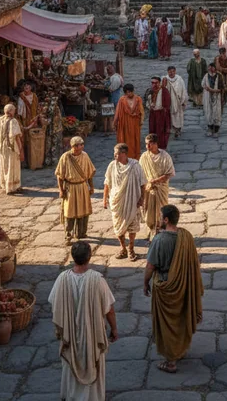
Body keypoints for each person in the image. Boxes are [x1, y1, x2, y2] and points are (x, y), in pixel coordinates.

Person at [49, 241, 117, 401]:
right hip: (92, 334)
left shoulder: (62, 279)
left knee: (70, 365)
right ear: (89, 257)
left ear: (73, 257)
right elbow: (109, 309)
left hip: (70, 336)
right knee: (93, 363)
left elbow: (54, 305)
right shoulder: (98, 280)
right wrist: (114, 329)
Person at [144, 204, 203, 375]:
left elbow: (150, 266)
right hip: (183, 285)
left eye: (160, 216)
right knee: (180, 319)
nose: (158, 219)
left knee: (167, 324)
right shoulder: (186, 236)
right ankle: (180, 349)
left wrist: (145, 283)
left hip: (164, 286)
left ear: (166, 220)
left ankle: (170, 362)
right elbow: (193, 263)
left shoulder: (159, 240)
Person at [104, 144, 146, 262]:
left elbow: (143, 183)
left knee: (132, 226)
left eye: (117, 153)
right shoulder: (112, 166)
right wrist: (104, 199)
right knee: (118, 226)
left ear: (124, 154)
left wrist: (142, 198)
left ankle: (131, 248)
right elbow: (107, 182)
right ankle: (123, 248)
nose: (115, 155)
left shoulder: (135, 166)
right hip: (116, 201)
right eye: (114, 153)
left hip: (132, 200)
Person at [55, 136, 96, 244]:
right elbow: (59, 176)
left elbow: (89, 173)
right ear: (72, 146)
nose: (80, 147)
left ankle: (81, 233)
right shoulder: (65, 157)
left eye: (81, 145)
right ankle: (68, 235)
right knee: (70, 212)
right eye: (77, 145)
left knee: (84, 210)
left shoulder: (85, 156)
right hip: (70, 188)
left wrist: (91, 187)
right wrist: (61, 190)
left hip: (82, 186)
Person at [139, 134, 175, 242]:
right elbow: (140, 173)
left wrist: (155, 181)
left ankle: (160, 233)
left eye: (149, 144)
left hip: (161, 189)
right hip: (148, 190)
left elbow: (169, 174)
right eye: (146, 144)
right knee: (148, 212)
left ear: (155, 144)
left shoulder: (165, 156)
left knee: (161, 212)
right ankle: (151, 230)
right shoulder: (144, 157)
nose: (147, 147)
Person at [0, 104, 23, 195]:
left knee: (4, 165)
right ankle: (12, 187)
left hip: (2, 146)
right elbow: (16, 136)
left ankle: (5, 185)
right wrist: (20, 148)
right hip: (12, 147)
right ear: (11, 111)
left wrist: (1, 139)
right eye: (13, 110)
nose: (14, 112)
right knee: (12, 165)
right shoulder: (13, 121)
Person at [114, 84, 144, 158]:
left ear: (133, 91)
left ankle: (135, 156)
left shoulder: (138, 99)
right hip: (125, 123)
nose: (129, 94)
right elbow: (118, 111)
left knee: (135, 139)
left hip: (135, 123)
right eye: (127, 92)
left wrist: (141, 120)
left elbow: (141, 111)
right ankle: (125, 155)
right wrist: (115, 122)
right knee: (126, 139)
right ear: (125, 93)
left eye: (130, 92)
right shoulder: (122, 100)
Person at [147, 77, 171, 150]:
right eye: (152, 83)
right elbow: (147, 102)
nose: (154, 85)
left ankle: (161, 147)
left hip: (161, 114)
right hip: (153, 114)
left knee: (161, 131)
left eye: (156, 83)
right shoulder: (150, 91)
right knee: (152, 130)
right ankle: (153, 146)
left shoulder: (164, 91)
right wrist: (150, 106)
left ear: (159, 83)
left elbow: (168, 103)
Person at [165, 66, 188, 140]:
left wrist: (184, 100)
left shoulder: (179, 79)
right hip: (169, 103)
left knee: (178, 116)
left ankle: (178, 129)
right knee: (170, 116)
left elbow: (183, 90)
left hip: (178, 102)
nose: (171, 73)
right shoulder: (165, 79)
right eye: (170, 72)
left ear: (175, 71)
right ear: (168, 72)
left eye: (173, 71)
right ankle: (172, 130)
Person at [202, 62, 224, 136]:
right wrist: (206, 88)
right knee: (208, 112)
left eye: (212, 67)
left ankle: (216, 130)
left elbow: (221, 88)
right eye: (209, 67)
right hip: (208, 97)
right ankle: (210, 128)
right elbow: (203, 84)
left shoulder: (219, 76)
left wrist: (212, 90)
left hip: (216, 97)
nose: (210, 69)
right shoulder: (206, 76)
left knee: (216, 112)